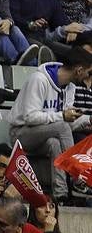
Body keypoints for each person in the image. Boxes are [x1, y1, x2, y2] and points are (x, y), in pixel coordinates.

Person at [9, 50, 92, 201]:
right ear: (79, 70)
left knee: (54, 143)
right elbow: (29, 117)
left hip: (45, 136)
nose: (89, 77)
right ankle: (76, 178)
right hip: (20, 134)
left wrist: (88, 120)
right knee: (62, 126)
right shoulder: (39, 79)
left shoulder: (70, 87)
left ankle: (60, 194)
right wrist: (61, 116)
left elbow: (67, 123)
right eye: (89, 72)